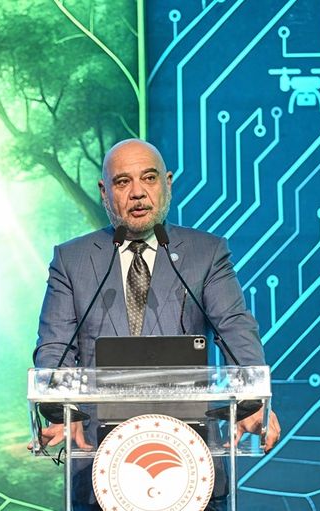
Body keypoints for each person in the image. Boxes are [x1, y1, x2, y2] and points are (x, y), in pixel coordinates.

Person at [32, 139, 280, 510]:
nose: (137, 192)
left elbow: (234, 329)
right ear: (104, 192)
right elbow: (55, 347)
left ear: (167, 183)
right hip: (100, 460)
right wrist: (59, 407)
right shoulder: (72, 260)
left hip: (191, 458)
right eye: (122, 182)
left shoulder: (206, 253)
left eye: (149, 178)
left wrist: (253, 397)